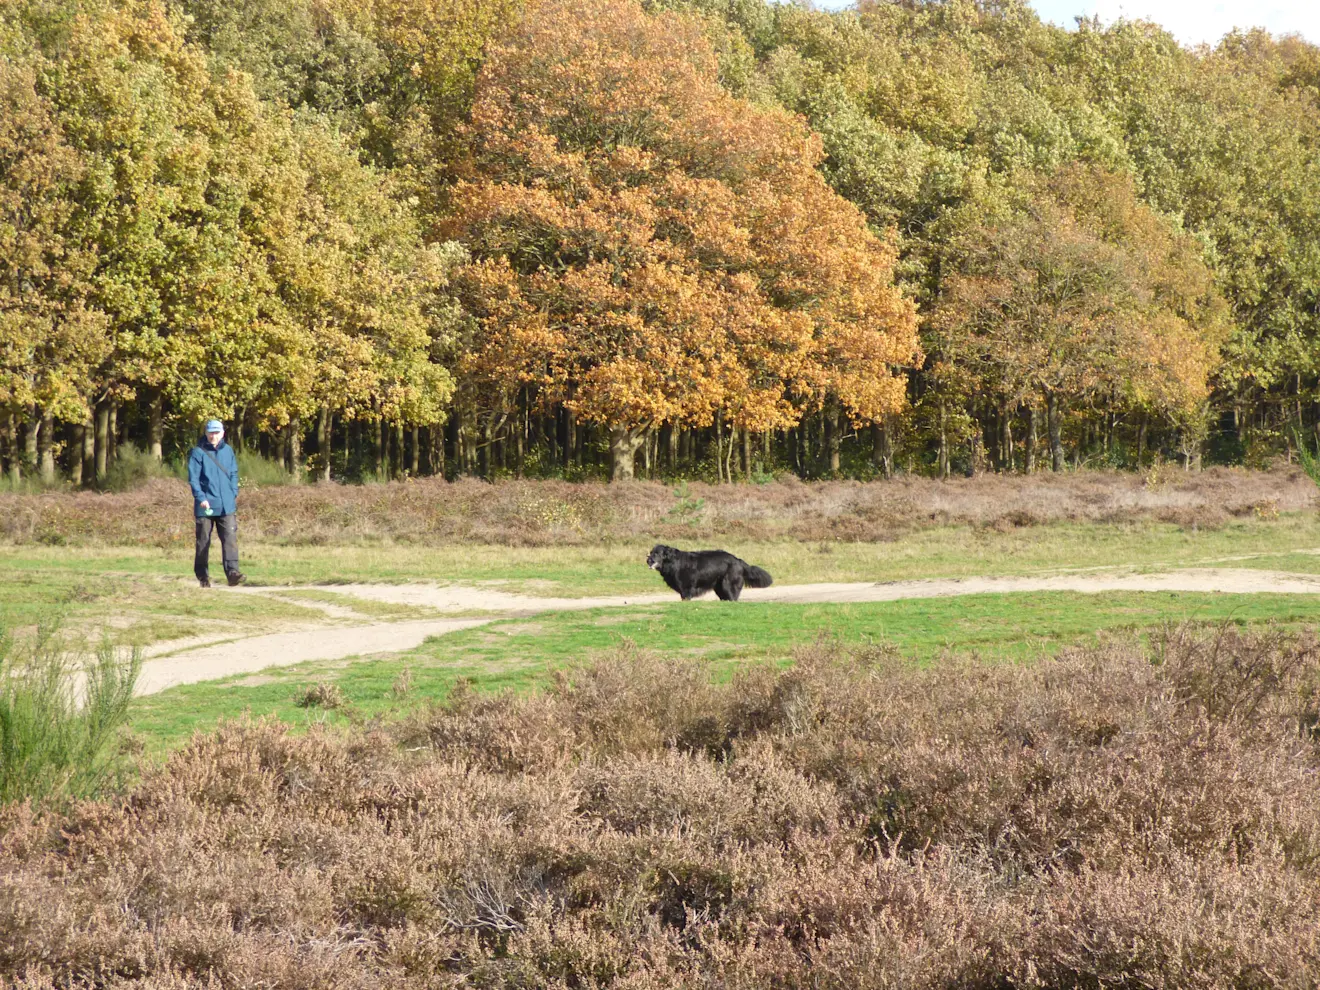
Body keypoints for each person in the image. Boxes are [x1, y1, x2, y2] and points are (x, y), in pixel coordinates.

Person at [188, 419, 246, 588]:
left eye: (216, 432)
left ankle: (233, 573)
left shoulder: (228, 451)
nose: (213, 436)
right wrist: (201, 498)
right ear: (206, 433)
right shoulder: (198, 452)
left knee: (230, 539)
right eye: (210, 432)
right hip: (205, 505)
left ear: (222, 433)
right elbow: (193, 479)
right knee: (203, 541)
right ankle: (203, 576)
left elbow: (233, 473)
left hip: (226, 505)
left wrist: (233, 491)